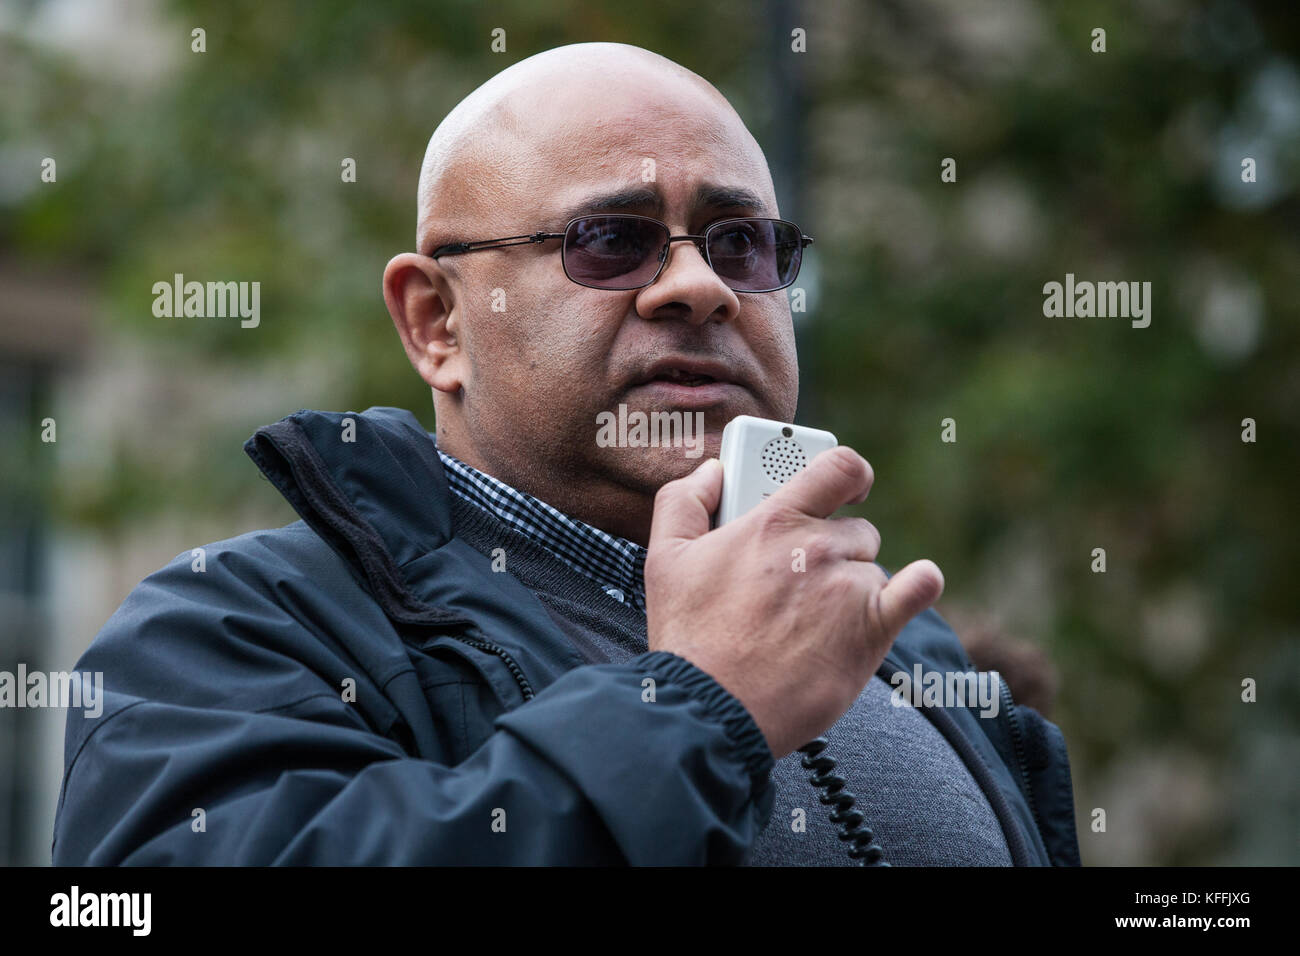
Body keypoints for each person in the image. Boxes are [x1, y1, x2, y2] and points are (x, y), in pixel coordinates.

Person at [52, 42, 1081, 866]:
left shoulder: (913, 655)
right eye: (609, 239)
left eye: (740, 242)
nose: (699, 286)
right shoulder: (236, 633)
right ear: (435, 323)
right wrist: (692, 706)